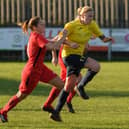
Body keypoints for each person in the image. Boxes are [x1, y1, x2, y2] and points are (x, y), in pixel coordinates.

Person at [49, 6, 113, 122]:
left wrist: (107, 39)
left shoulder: (92, 24)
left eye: (92, 16)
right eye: (88, 16)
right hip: (68, 56)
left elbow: (101, 37)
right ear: (81, 16)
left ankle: (56, 111)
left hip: (79, 56)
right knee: (92, 68)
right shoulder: (71, 25)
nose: (91, 18)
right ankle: (79, 87)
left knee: (70, 84)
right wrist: (70, 43)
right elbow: (60, 37)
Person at [0, 16, 68, 123]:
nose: (44, 25)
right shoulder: (36, 36)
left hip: (41, 68)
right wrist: (63, 37)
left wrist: (63, 40)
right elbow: (52, 47)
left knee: (61, 85)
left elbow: (51, 42)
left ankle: (47, 105)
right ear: (35, 27)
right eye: (41, 24)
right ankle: (3, 112)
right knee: (21, 95)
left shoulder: (38, 35)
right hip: (32, 71)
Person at [42, 45, 82, 113]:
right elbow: (55, 41)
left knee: (64, 81)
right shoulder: (66, 33)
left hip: (74, 56)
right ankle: (67, 101)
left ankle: (48, 104)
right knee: (76, 78)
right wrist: (54, 56)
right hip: (65, 56)